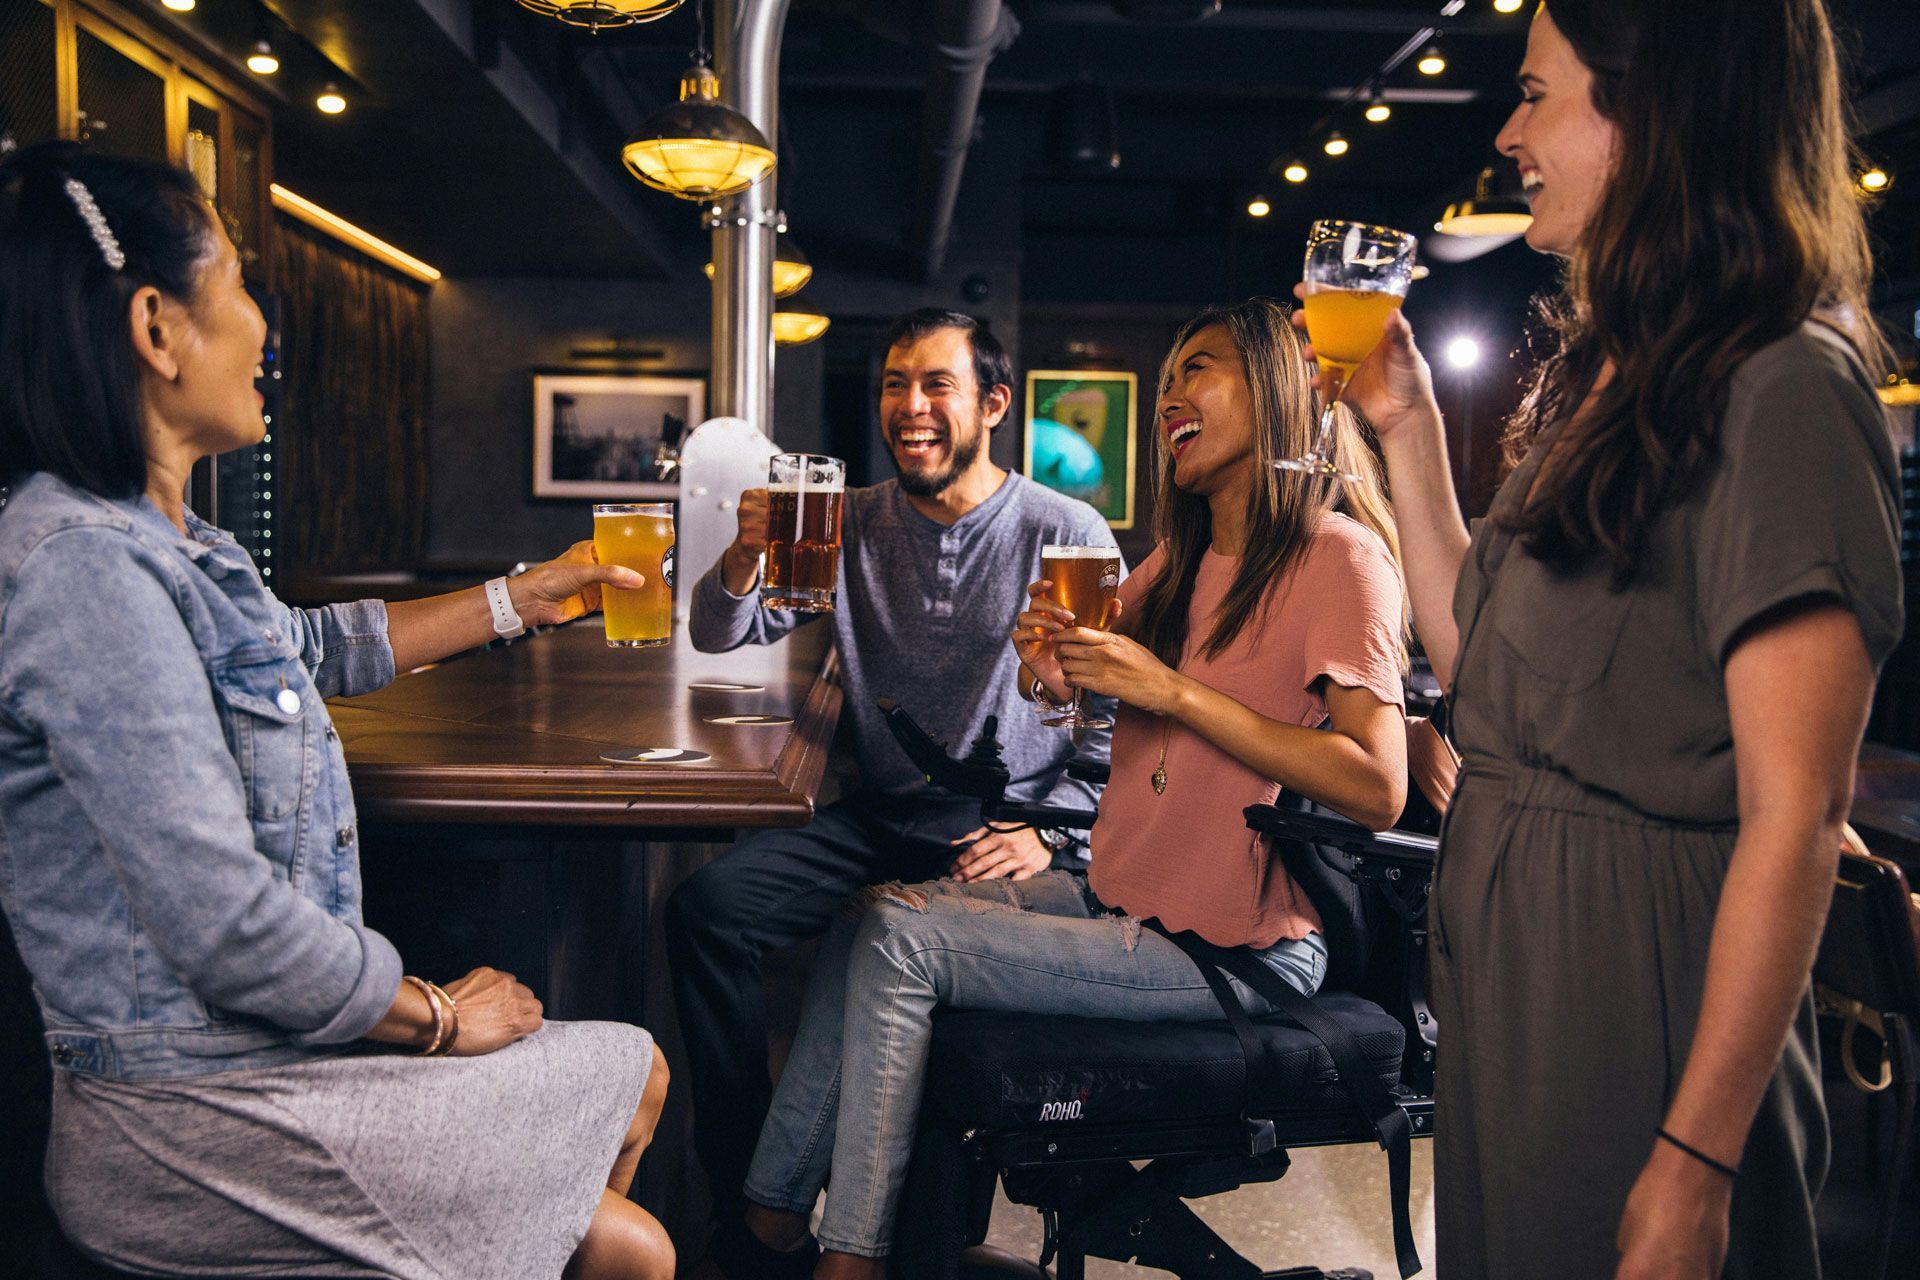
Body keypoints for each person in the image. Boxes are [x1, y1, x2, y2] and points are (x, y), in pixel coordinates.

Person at [0, 141, 673, 1280]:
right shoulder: (82, 570)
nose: (268, 326)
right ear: (157, 330)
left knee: (638, 1074)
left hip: (262, 1061)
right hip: (183, 1117)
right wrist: (438, 1015)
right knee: (634, 1249)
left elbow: (308, 648)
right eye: (241, 286)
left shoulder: (182, 545)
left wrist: (525, 596)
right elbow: (229, 929)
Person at [1308, 2, 1906, 1276]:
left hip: (1641, 995)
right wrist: (1409, 426)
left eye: (1537, 95)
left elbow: (1796, 816)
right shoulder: (1613, 377)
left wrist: (1696, 1157)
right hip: (1515, 983)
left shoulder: (1787, 385)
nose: (1510, 133)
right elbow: (1484, 661)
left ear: (1653, 113)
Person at [726, 299, 1411, 1279]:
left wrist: (1169, 689)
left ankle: (842, 1254)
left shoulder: (1338, 557)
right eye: (1168, 374)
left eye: (1199, 370)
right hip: (1131, 888)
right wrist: (1049, 660)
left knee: (902, 935)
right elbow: (1066, 680)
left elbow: (1379, 785)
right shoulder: (1185, 558)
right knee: (868, 918)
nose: (1172, 393)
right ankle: (771, 1216)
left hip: (1238, 947)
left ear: (1278, 393)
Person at [672, 309, 1118, 1258]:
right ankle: (740, 1180)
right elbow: (717, 635)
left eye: (936, 385)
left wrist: (1053, 835)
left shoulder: (1062, 529)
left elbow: (1111, 722)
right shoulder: (849, 521)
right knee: (707, 907)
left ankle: (786, 1213)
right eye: (892, 384)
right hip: (882, 816)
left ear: (993, 404)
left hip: (1001, 827)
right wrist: (746, 553)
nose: (909, 408)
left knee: (875, 944)